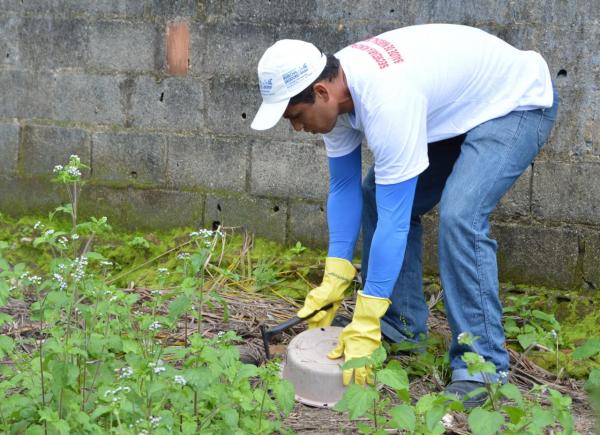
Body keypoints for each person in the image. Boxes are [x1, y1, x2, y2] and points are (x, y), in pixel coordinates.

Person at [251, 23, 558, 407]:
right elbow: (345, 189)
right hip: (457, 108)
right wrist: (335, 273)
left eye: (295, 116)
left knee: (460, 216)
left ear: (321, 92)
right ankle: (402, 326)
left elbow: (395, 219)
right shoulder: (334, 89)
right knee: (373, 195)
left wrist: (365, 312)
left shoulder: (386, 98)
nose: (297, 127)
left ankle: (482, 367)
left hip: (514, 105)